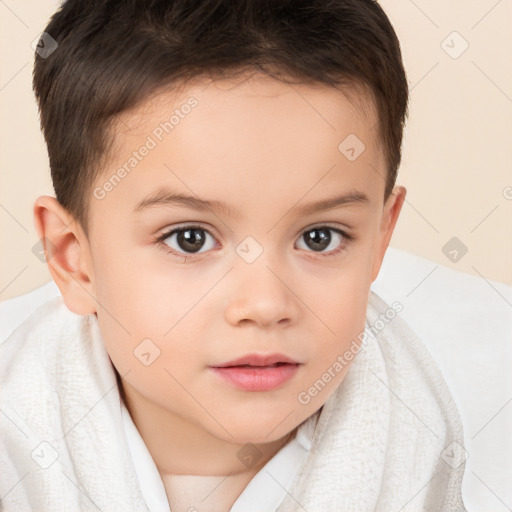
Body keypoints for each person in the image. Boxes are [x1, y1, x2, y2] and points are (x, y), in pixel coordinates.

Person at [0, 1, 467, 511]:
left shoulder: (456, 444)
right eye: (190, 239)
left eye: (319, 237)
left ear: (380, 238)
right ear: (74, 259)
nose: (265, 304)